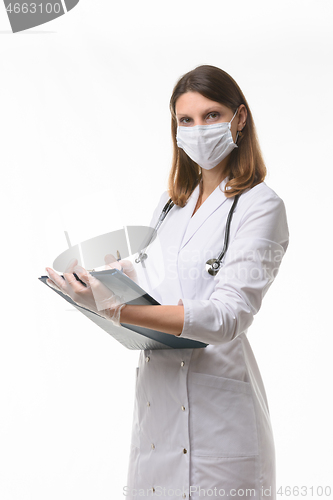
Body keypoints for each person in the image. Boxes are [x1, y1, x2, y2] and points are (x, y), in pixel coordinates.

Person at [46, 65, 289, 499]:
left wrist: (120, 311)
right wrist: (98, 284)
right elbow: (152, 282)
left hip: (219, 422)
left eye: (212, 115)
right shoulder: (170, 206)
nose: (198, 129)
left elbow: (227, 317)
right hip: (156, 417)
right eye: (186, 120)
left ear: (240, 117)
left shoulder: (260, 205)